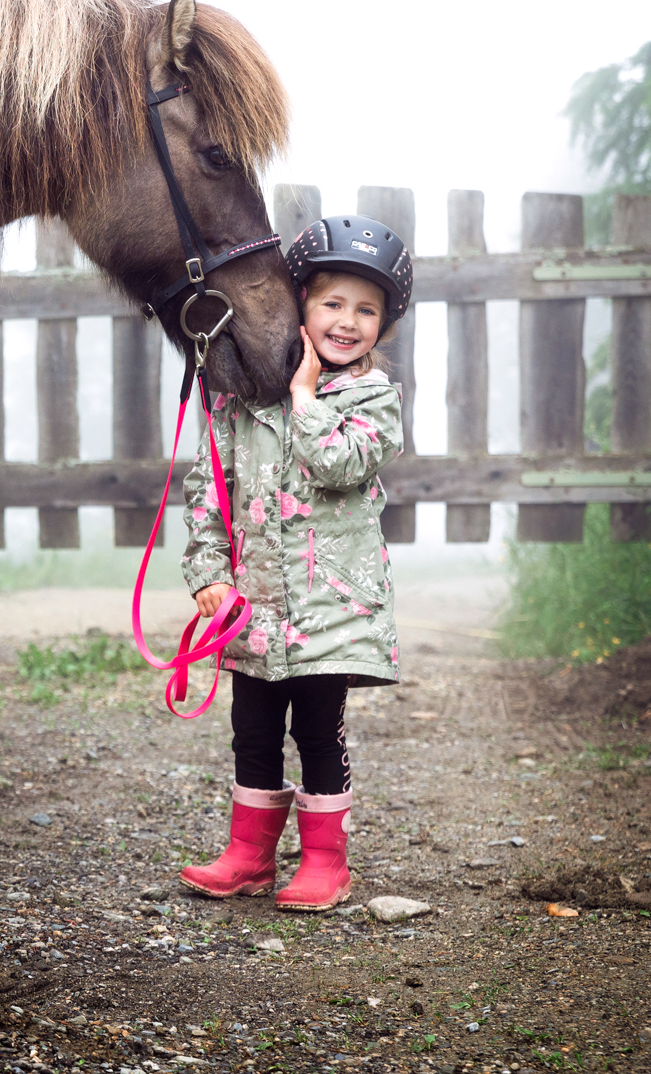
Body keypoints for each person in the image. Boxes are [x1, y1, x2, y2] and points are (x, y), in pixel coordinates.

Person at [176, 215, 413, 912]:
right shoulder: (243, 399)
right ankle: (248, 856)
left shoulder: (374, 401)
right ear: (299, 304)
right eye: (332, 303)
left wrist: (306, 397)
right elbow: (210, 490)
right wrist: (209, 572)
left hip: (329, 611)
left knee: (317, 732)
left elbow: (338, 462)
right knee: (251, 732)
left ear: (384, 325)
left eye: (366, 310)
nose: (347, 321)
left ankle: (325, 862)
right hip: (253, 608)